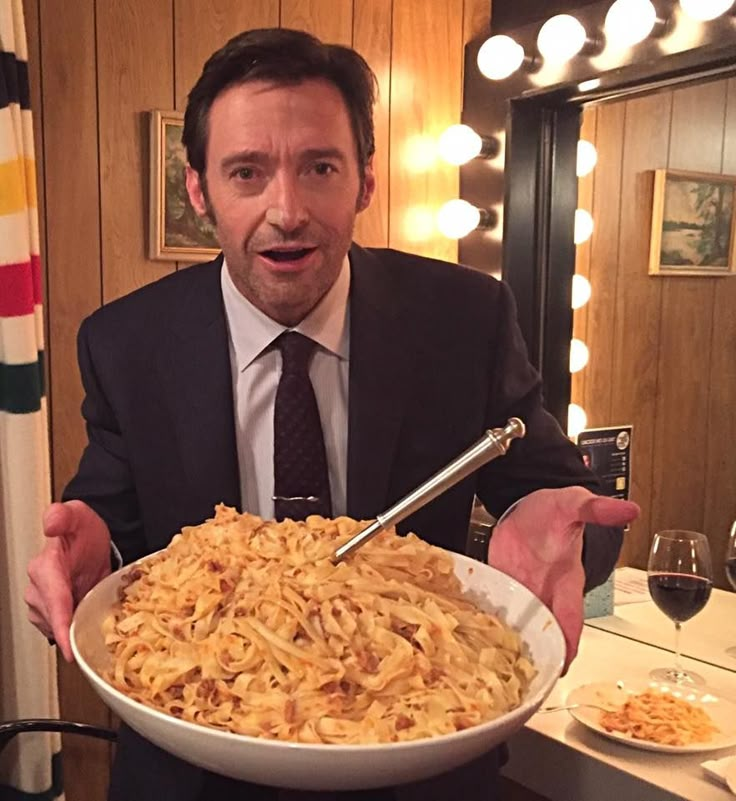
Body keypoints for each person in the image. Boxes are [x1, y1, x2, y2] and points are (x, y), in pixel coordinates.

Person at [25, 28, 639, 801]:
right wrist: (96, 556)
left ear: (366, 182)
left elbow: (555, 495)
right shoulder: (124, 341)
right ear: (198, 189)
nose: (287, 211)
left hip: (427, 760)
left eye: (320, 167)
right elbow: (115, 524)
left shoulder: (463, 316)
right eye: (247, 172)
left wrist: (560, 522)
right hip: (193, 775)